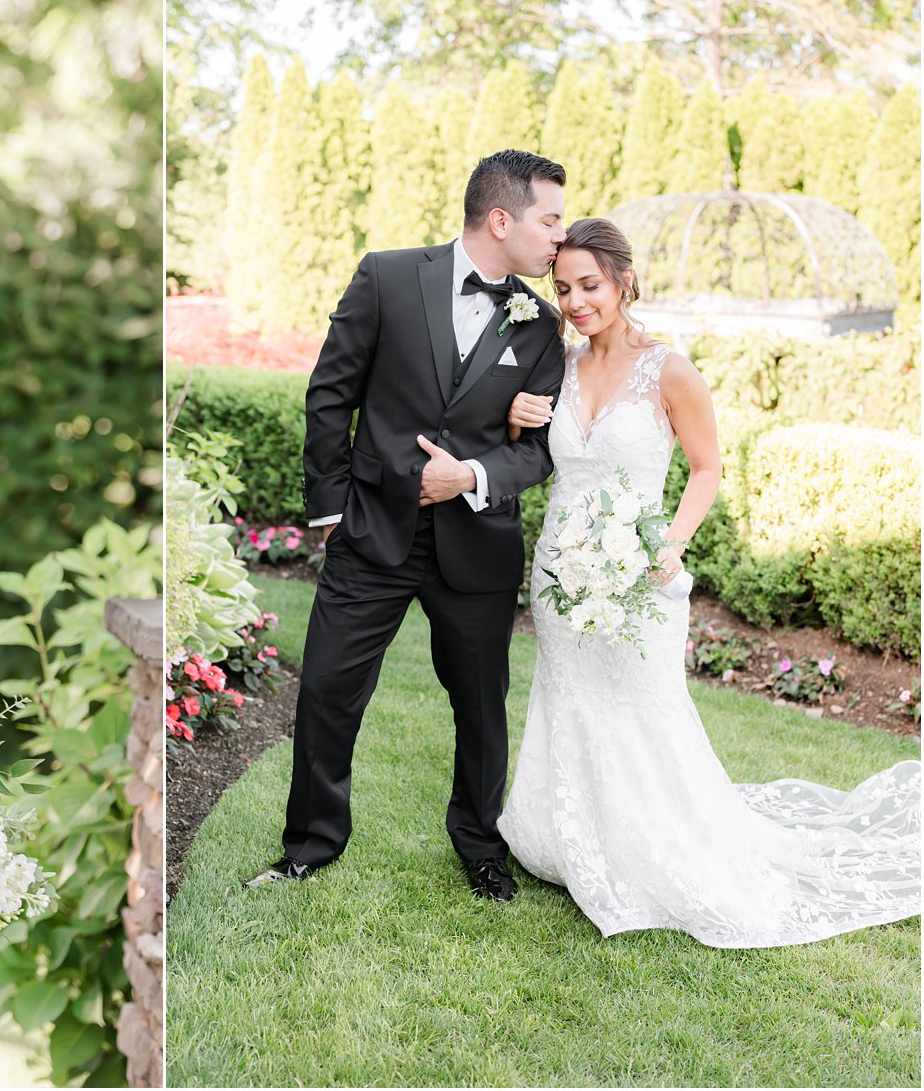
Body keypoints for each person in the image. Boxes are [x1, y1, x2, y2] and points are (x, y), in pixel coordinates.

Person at [496, 217, 920, 947]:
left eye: (590, 285)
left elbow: (707, 467)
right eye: (562, 288)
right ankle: (567, 837)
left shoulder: (669, 370)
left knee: (641, 705)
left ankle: (649, 847)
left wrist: (671, 544)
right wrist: (512, 418)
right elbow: (530, 449)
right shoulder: (554, 365)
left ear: (625, 280)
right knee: (567, 697)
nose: (575, 301)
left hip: (640, 567)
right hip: (563, 569)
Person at [247, 150, 569, 901]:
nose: (558, 235)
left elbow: (547, 447)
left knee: (481, 706)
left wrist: (475, 475)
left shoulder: (543, 324)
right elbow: (330, 395)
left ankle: (480, 844)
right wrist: (330, 513)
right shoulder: (386, 277)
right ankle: (311, 845)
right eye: (548, 219)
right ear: (501, 219)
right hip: (372, 533)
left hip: (478, 544)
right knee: (327, 688)